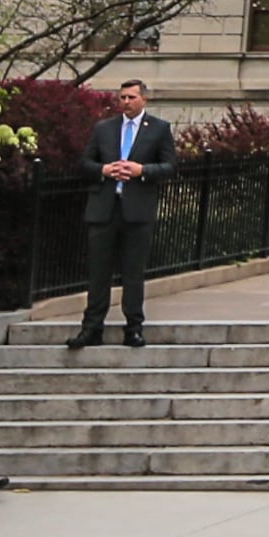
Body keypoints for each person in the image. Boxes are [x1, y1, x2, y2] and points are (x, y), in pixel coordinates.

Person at [72, 77, 177, 347]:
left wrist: (142, 171)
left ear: (144, 99)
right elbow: (85, 163)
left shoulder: (158, 129)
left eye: (131, 97)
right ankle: (92, 327)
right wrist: (104, 170)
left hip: (137, 210)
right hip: (104, 207)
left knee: (133, 272)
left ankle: (133, 327)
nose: (126, 102)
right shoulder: (104, 128)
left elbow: (170, 166)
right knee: (98, 272)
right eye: (122, 98)